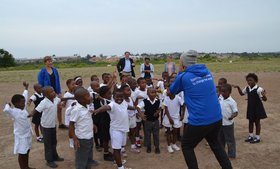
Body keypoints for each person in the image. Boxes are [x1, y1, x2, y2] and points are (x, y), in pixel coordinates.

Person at [169, 50, 232, 169]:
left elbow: (171, 91)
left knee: (187, 146)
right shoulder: (206, 71)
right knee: (216, 144)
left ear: (183, 63)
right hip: (217, 118)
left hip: (200, 120)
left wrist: (179, 72)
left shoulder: (183, 76)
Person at [92, 88, 135, 169]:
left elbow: (128, 106)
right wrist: (98, 110)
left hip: (123, 130)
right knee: (116, 149)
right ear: (113, 97)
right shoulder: (112, 104)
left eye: (121, 97)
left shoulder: (124, 103)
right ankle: (120, 167)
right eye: (117, 97)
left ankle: (117, 161)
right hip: (116, 131)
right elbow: (106, 107)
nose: (119, 99)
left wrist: (135, 108)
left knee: (119, 148)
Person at [30, 86, 71, 168]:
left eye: (53, 91)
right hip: (45, 126)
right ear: (46, 95)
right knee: (48, 144)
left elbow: (61, 99)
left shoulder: (55, 99)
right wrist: (29, 115)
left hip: (53, 125)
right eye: (51, 92)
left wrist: (72, 97)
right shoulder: (44, 102)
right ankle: (49, 160)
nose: (54, 93)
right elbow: (36, 110)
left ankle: (55, 156)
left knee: (54, 142)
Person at [3, 82, 35, 169]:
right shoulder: (14, 112)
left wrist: (26, 88)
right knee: (22, 153)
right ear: (16, 104)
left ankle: (26, 166)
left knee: (27, 151)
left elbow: (25, 95)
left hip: (27, 133)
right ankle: (23, 167)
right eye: (22, 103)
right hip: (21, 136)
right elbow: (6, 110)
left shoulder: (23, 108)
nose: (24, 104)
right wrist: (7, 105)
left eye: (24, 102)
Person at [233, 73, 267, 143]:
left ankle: (257, 138)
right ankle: (250, 136)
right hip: (250, 107)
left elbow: (265, 99)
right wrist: (238, 87)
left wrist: (264, 96)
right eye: (248, 80)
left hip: (258, 108)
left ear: (255, 81)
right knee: (250, 121)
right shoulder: (247, 88)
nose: (249, 82)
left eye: (251, 80)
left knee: (257, 122)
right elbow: (242, 94)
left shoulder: (259, 89)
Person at [69, 87, 98, 169]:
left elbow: (86, 118)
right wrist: (75, 139)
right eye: (88, 96)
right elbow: (71, 125)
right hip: (81, 139)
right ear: (81, 99)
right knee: (81, 160)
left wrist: (93, 125)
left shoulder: (86, 106)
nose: (90, 97)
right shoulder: (76, 110)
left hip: (89, 136)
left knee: (88, 157)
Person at [37, 56, 66, 129]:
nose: (50, 62)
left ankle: (60, 123)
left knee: (59, 107)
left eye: (51, 61)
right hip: (47, 92)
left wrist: (59, 92)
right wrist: (44, 93)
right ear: (45, 62)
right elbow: (40, 83)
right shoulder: (42, 71)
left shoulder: (55, 70)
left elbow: (58, 81)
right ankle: (48, 124)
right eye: (48, 61)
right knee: (49, 108)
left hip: (55, 91)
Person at [136, 87, 161, 154]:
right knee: (147, 134)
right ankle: (149, 147)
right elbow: (138, 107)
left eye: (155, 92)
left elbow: (161, 107)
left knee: (156, 135)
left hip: (156, 121)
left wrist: (158, 112)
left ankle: (157, 147)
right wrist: (141, 114)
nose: (154, 94)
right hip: (148, 121)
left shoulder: (158, 101)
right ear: (147, 93)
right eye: (152, 92)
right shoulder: (145, 101)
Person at [162, 87, 185, 153]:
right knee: (168, 132)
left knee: (175, 132)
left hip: (176, 118)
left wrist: (182, 115)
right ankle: (169, 146)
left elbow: (183, 105)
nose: (166, 92)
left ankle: (174, 144)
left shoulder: (178, 98)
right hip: (168, 117)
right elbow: (166, 109)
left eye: (168, 91)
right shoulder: (166, 98)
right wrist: (169, 118)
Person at [219, 84, 238, 159]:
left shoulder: (232, 102)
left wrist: (232, 116)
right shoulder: (220, 99)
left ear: (229, 92)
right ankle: (222, 153)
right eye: (221, 91)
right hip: (220, 123)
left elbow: (236, 112)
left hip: (228, 124)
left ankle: (231, 154)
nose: (222, 93)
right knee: (220, 139)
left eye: (224, 92)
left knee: (230, 140)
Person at [122, 84, 141, 153]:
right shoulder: (121, 100)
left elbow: (134, 105)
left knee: (132, 132)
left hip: (132, 117)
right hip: (125, 119)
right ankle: (122, 148)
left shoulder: (130, 98)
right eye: (127, 90)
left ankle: (133, 146)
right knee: (124, 134)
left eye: (129, 90)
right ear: (122, 92)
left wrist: (136, 113)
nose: (129, 92)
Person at [62, 79, 77, 148]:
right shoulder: (66, 94)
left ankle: (76, 139)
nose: (74, 86)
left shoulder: (77, 93)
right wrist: (62, 104)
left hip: (76, 114)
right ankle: (71, 141)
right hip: (69, 114)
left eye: (75, 84)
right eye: (72, 84)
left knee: (76, 128)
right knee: (71, 129)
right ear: (68, 86)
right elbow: (64, 104)